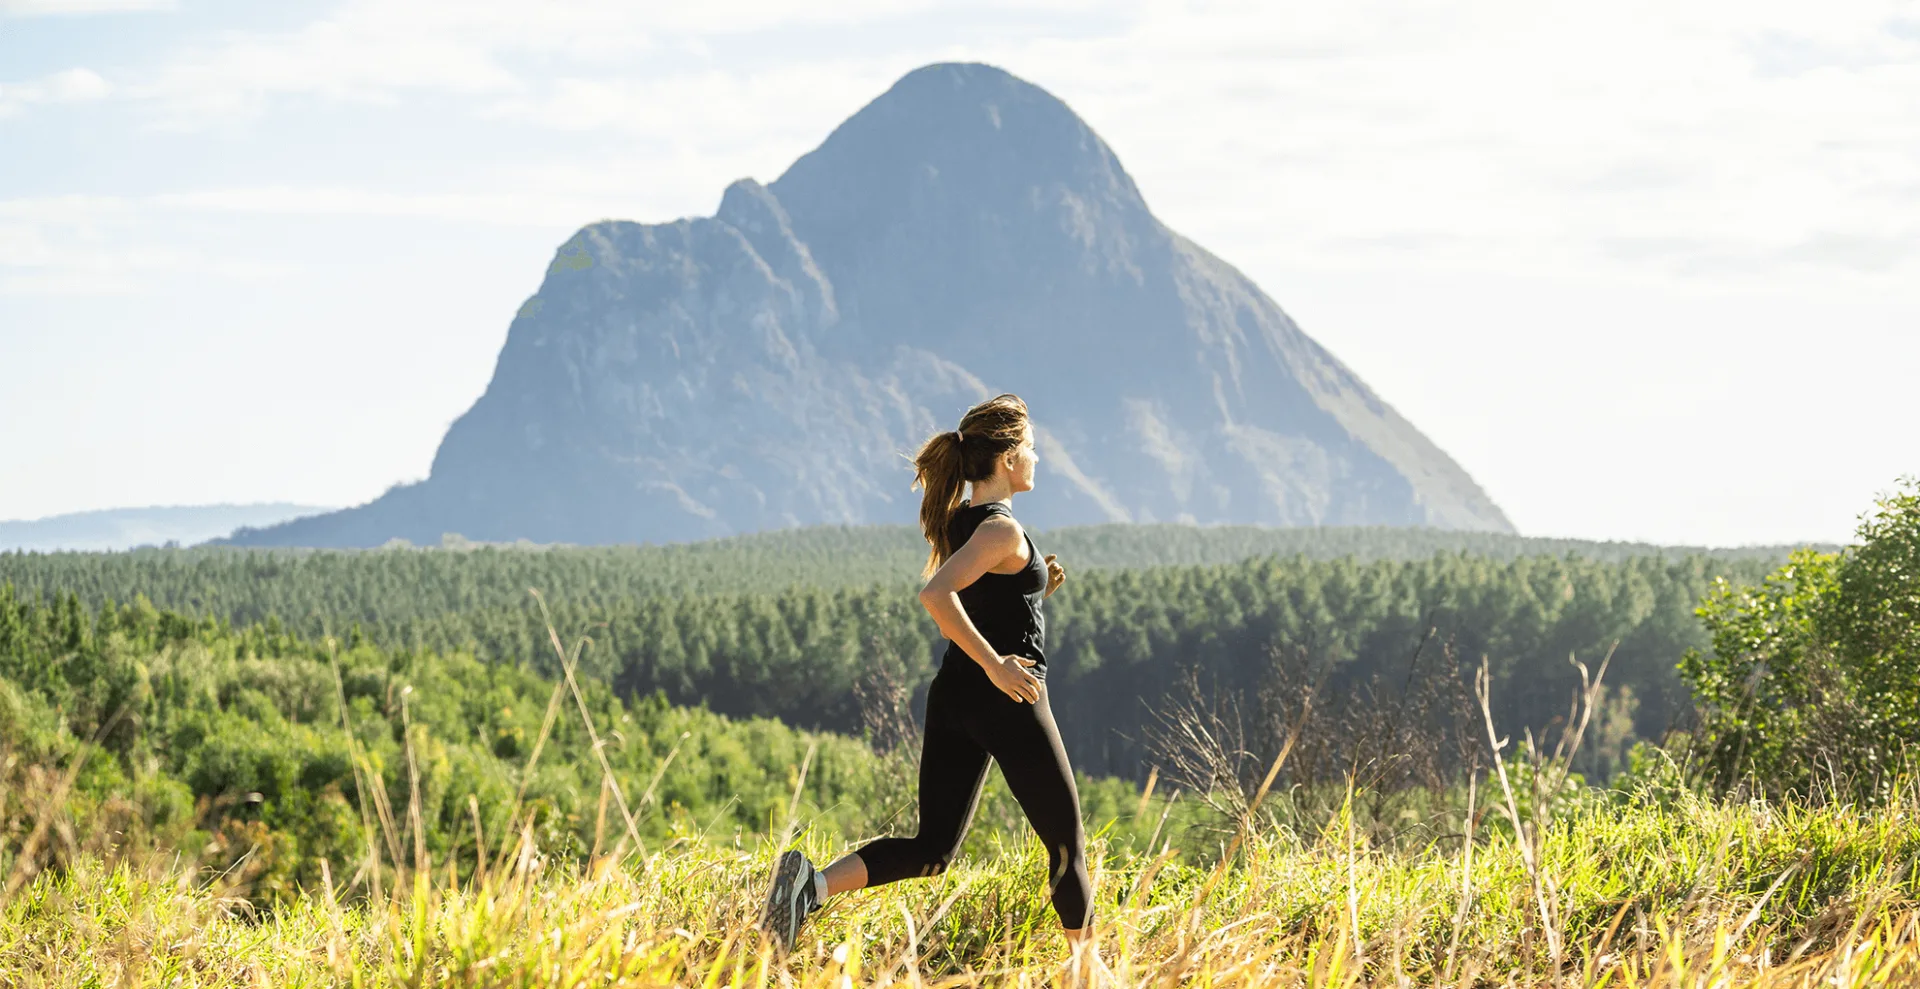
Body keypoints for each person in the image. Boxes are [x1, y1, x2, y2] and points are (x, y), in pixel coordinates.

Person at [759, 393, 1096, 968]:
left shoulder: (962, 520)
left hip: (954, 701)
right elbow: (936, 596)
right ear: (1010, 458)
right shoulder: (1001, 532)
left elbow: (980, 596)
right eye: (1033, 449)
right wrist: (998, 665)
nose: (1038, 459)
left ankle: (808, 886)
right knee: (1067, 849)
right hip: (1007, 702)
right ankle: (1088, 974)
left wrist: (1037, 586)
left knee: (933, 849)